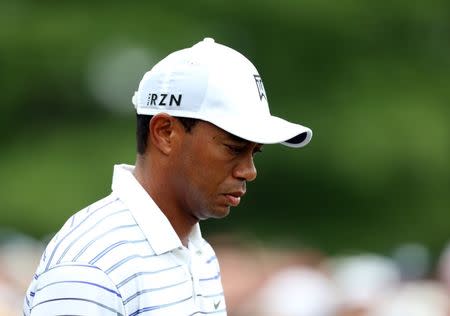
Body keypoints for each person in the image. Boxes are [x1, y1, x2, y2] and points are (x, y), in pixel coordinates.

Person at [23, 37, 312, 315]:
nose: (249, 171)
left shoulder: (201, 255)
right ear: (164, 132)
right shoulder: (92, 266)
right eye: (233, 148)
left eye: (254, 153)